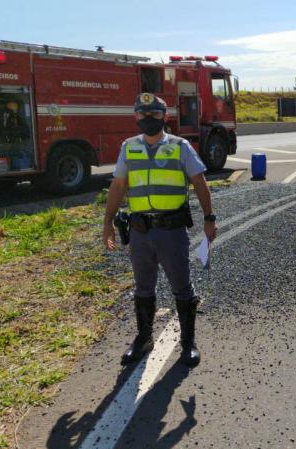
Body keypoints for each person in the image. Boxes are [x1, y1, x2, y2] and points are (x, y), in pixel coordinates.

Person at [102, 93, 217, 367]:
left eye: (153, 114)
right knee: (143, 287)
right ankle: (144, 339)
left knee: (182, 287)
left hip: (171, 229)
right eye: (142, 114)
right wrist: (107, 224)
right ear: (136, 117)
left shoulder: (180, 147)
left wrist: (209, 217)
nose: (147, 119)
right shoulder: (128, 147)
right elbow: (118, 187)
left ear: (165, 117)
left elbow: (200, 182)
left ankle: (188, 344)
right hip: (140, 231)